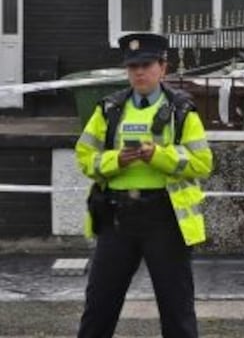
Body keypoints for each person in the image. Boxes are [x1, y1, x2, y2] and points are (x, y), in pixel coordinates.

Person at [75, 33, 214, 338]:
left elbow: (202, 163)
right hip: (117, 217)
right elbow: (85, 158)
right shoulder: (109, 109)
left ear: (163, 67)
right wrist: (116, 161)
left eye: (146, 64)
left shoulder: (182, 111)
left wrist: (158, 156)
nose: (138, 72)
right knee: (98, 307)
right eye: (132, 66)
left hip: (164, 217)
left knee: (177, 310)